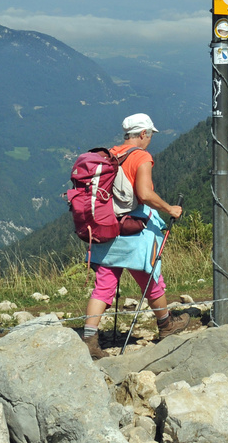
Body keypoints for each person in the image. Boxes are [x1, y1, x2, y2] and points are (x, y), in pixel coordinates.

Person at [81, 113, 190, 359]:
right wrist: (170, 209)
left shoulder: (108, 155)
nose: (150, 140)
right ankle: (166, 326)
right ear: (142, 134)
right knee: (151, 279)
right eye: (149, 135)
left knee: (103, 286)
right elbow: (144, 194)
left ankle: (89, 339)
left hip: (105, 229)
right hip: (133, 231)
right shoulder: (141, 157)